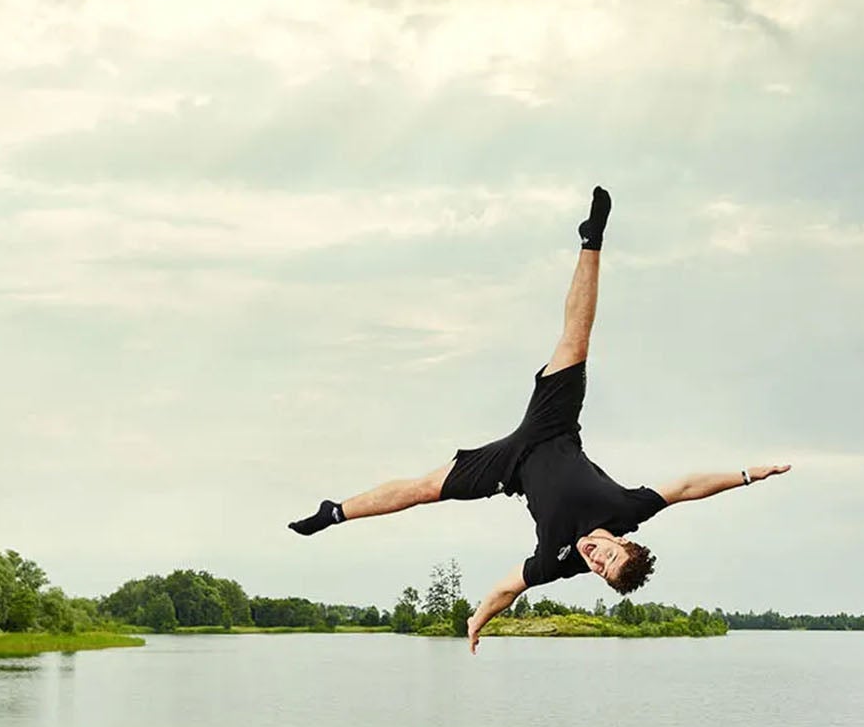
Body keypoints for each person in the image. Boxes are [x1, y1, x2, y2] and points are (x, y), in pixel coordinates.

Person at [289, 187, 791, 653]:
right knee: (576, 340)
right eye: (609, 558)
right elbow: (686, 488)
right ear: (622, 542)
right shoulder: (625, 510)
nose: (596, 561)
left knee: (424, 489)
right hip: (550, 428)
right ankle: (591, 239)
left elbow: (509, 587)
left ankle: (334, 511)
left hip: (508, 469)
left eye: (600, 571)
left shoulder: (558, 562)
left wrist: (477, 619)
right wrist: (746, 476)